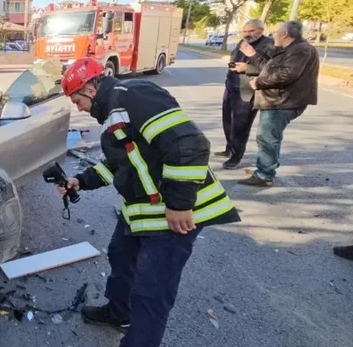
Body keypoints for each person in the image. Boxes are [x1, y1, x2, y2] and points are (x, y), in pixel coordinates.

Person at [57, 58, 241, 347]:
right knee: (121, 254)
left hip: (175, 215)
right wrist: (82, 180)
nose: (77, 108)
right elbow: (126, 163)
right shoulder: (114, 112)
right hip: (143, 212)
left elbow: (189, 144)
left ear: (90, 90)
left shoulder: (133, 96)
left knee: (151, 291)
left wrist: (180, 204)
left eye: (76, 100)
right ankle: (119, 312)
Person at [231, 20, 319, 186]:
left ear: (285, 34)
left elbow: (287, 75)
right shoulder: (289, 49)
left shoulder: (301, 50)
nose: (274, 36)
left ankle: (264, 174)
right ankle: (264, 168)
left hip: (284, 101)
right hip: (277, 100)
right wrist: (252, 57)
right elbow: (268, 68)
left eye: (276, 32)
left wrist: (259, 83)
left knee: (267, 138)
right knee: (266, 137)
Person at [216, 19, 274, 170]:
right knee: (228, 119)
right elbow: (234, 56)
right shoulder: (242, 42)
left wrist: (247, 68)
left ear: (261, 30)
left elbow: (270, 68)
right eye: (245, 31)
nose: (248, 34)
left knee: (241, 123)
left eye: (252, 31)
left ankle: (237, 156)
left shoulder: (269, 44)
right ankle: (229, 147)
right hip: (231, 84)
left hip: (247, 87)